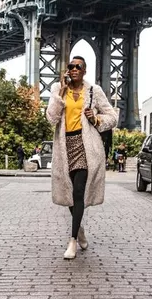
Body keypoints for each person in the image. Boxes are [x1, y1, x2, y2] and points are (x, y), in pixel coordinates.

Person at [46, 56, 118, 260]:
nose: (74, 69)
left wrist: (95, 119)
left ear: (84, 71)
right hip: (64, 146)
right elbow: (51, 118)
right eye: (71, 66)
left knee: (78, 191)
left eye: (78, 66)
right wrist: (60, 95)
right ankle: (81, 230)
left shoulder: (94, 91)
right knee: (69, 194)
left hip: (86, 146)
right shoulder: (57, 89)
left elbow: (112, 117)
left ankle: (72, 241)